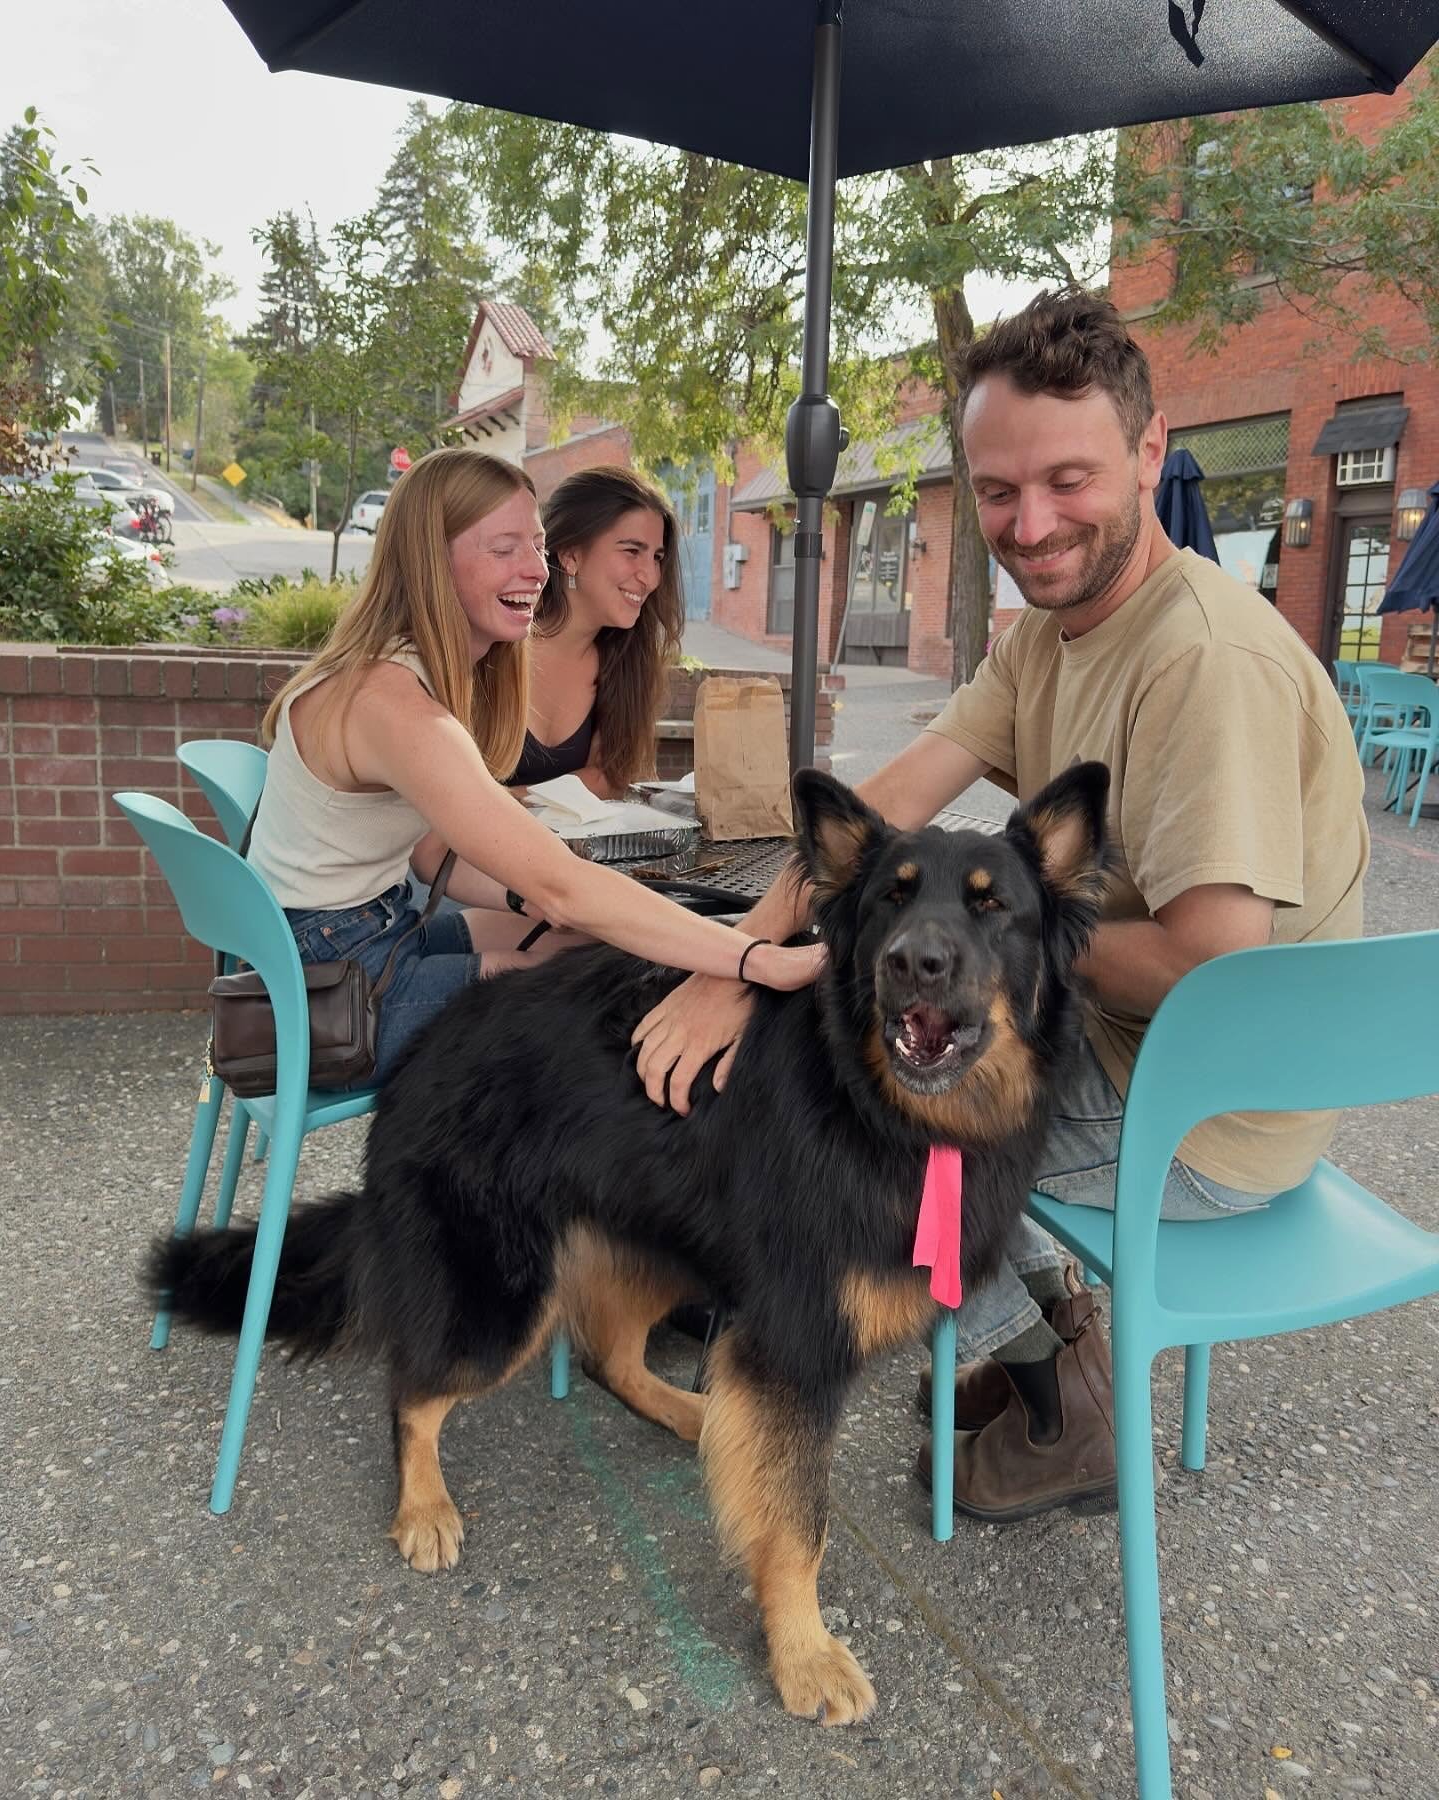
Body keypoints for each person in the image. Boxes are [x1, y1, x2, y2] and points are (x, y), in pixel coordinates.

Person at [629, 287, 1369, 1522]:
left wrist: (981, 955)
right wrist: (736, 963)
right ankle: (1041, 1334)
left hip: (1208, 1107)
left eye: (1068, 481)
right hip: (1127, 1052)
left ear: (1148, 452)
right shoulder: (1048, 637)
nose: (1031, 524)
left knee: (855, 1125)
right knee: (834, 1044)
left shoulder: (1203, 661)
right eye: (997, 491)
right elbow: (882, 811)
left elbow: (1210, 967)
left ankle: (1056, 1394)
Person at [248, 446, 824, 1088]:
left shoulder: (390, 673)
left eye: (538, 546)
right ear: (430, 559)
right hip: (332, 992)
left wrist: (527, 897)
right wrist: (754, 959)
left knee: (586, 946)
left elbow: (451, 862)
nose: (536, 569)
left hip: (349, 939)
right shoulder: (398, 708)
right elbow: (566, 888)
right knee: (599, 995)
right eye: (504, 549)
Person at [511, 465, 683, 797]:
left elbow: (609, 777)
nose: (651, 577)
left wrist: (510, 799)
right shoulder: (497, 644)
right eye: (632, 551)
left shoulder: (624, 660)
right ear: (571, 555)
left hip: (567, 849)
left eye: (657, 557)